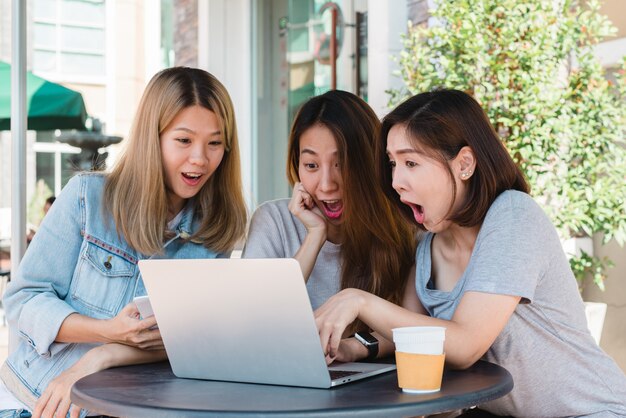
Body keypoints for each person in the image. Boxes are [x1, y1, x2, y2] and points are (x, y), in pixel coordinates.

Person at [314, 89, 626, 417]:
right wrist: (351, 348)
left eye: (410, 162)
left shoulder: (513, 215)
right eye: (393, 164)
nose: (396, 181)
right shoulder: (429, 246)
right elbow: (404, 334)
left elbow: (464, 345)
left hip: (593, 411)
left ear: (464, 164)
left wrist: (357, 300)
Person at [0, 67, 247, 418]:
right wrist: (107, 332)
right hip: (35, 401)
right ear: (153, 137)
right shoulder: (87, 198)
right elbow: (22, 301)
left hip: (130, 408)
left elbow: (193, 342)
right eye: (184, 140)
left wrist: (105, 353)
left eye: (215, 143)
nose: (200, 159)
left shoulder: (214, 232)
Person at [242, 90, 416, 363]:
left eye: (342, 163)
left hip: (375, 392)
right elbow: (251, 321)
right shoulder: (273, 221)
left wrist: (353, 348)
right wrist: (315, 236)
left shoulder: (405, 227)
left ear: (371, 162)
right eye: (311, 165)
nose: (326, 184)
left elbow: (416, 328)